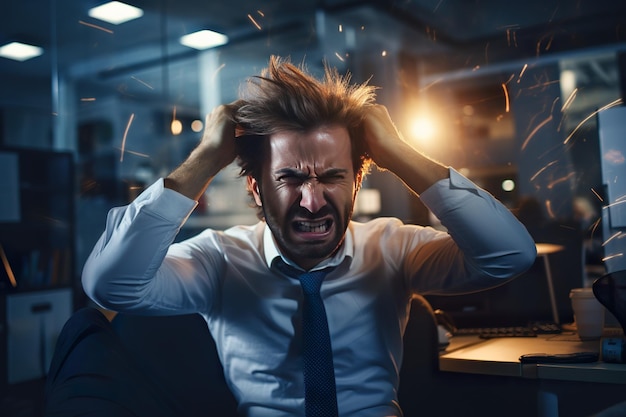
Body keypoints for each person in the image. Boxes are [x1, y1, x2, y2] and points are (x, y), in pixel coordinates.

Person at [81, 56, 537, 417]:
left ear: (357, 182)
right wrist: (205, 158)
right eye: (290, 179)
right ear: (256, 187)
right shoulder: (218, 261)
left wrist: (396, 152)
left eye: (333, 177)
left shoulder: (393, 248)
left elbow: (510, 255)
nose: (313, 201)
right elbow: (111, 285)